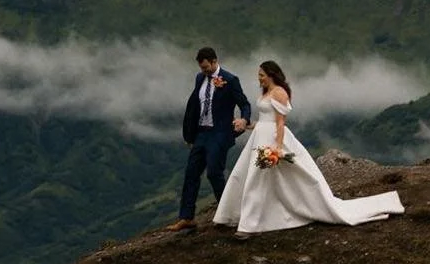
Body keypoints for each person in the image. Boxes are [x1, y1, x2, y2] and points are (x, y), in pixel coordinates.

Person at [213, 60, 405, 234]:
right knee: (246, 175)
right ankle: (241, 216)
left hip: (271, 140)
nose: (259, 79)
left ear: (271, 75)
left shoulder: (279, 92)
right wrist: (246, 124)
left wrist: (278, 148)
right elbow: (265, 120)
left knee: (258, 177)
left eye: (262, 75)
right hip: (258, 137)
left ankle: (249, 224)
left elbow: (280, 123)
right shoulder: (266, 93)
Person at [169, 46, 251, 231]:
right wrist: (189, 133)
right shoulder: (200, 78)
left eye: (206, 67)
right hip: (201, 133)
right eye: (201, 68)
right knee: (191, 173)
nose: (204, 71)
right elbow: (194, 106)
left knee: (214, 172)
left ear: (214, 61)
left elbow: (244, 103)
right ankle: (186, 217)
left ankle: (228, 213)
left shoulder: (230, 80)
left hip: (219, 133)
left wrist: (243, 119)